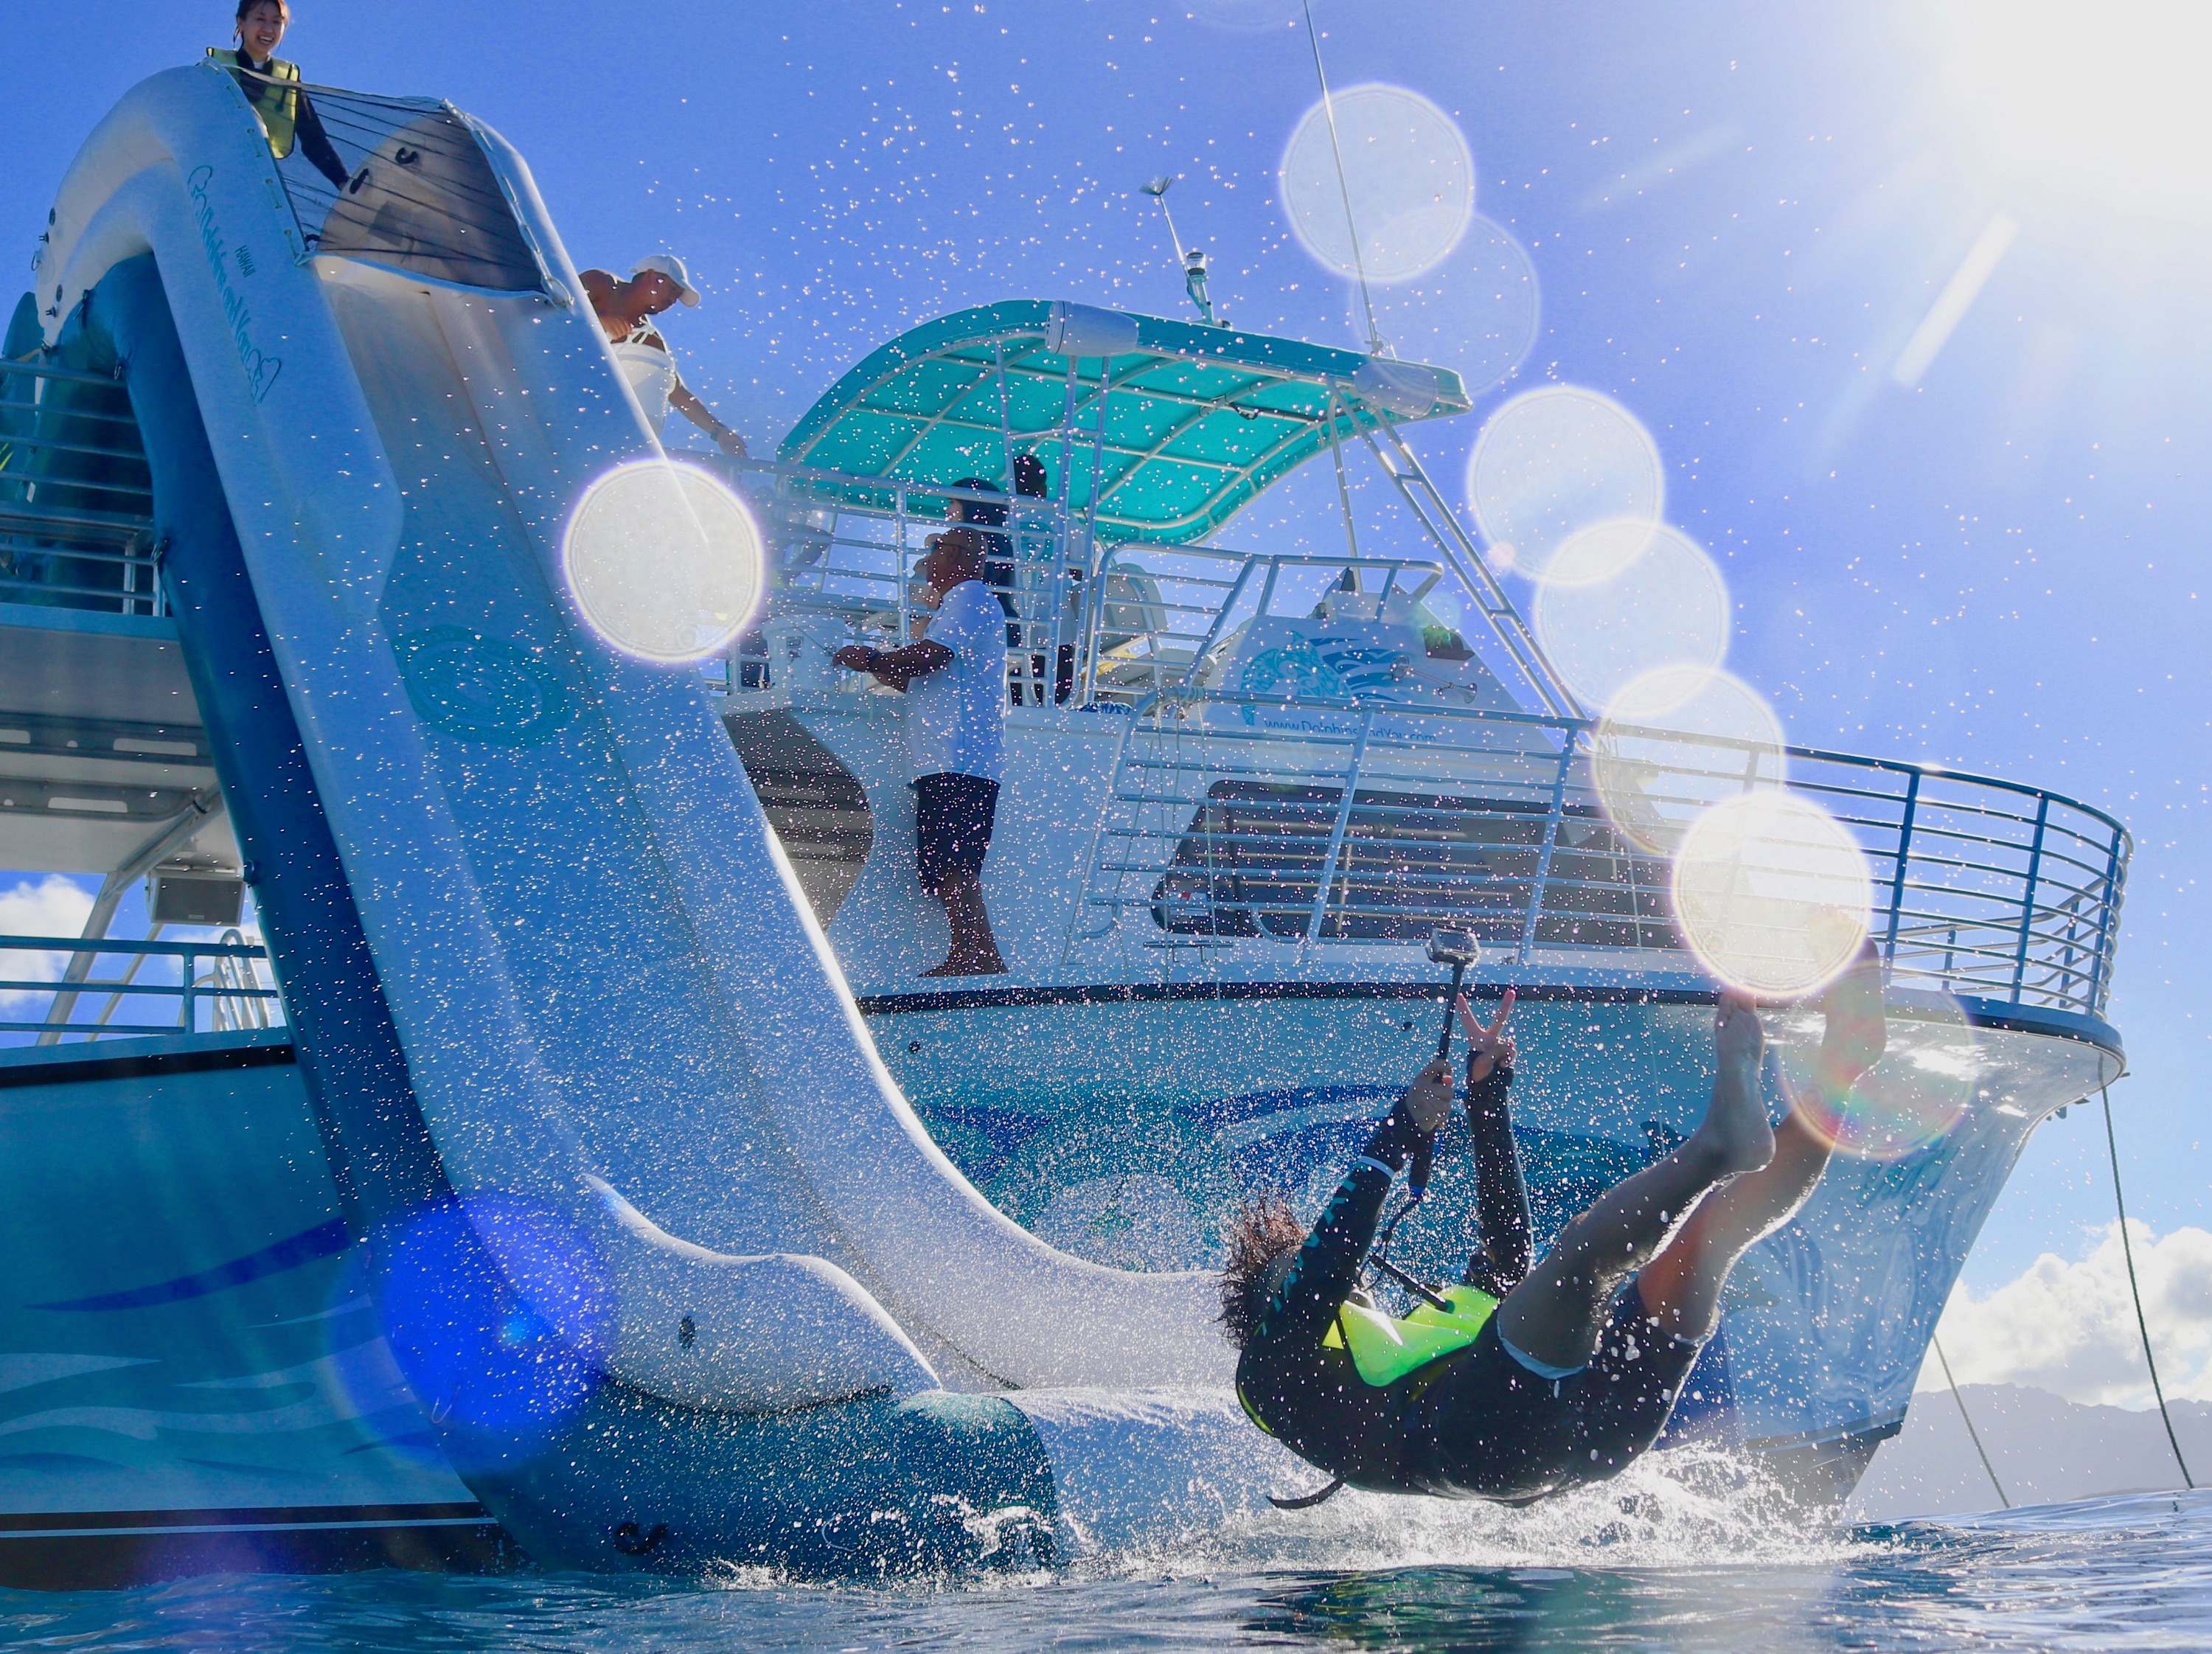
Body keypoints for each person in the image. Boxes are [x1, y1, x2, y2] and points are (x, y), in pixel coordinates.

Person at [1222, 951, 1886, 1504]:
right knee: (1580, 1262)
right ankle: (1716, 1145)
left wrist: (1487, 1099)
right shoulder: (1268, 1370)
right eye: (1292, 1266)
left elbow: (1508, 1248)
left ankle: (1845, 1063)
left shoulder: (1428, 1334)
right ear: (1265, 1299)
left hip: (1591, 1431)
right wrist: (1397, 1132)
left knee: (1711, 1235)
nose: (1349, 1280)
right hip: (1482, 1444)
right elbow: (1325, 1268)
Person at [831, 528, 1009, 976]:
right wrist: (878, 663)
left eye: (934, 552)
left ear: (953, 557)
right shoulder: (962, 605)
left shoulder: (970, 596)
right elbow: (918, 675)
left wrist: (871, 661)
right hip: (952, 758)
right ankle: (971, 952)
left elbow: (931, 659)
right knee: (947, 860)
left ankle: (978, 955)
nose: (929, 563)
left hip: (959, 757)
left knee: (953, 860)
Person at [579, 256, 748, 456]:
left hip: (604, 425)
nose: (673, 301)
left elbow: (674, 389)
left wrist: (719, 432)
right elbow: (553, 303)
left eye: (677, 297)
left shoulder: (649, 339)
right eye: (672, 290)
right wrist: (598, 321)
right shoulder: (601, 283)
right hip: (565, 395)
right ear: (651, 276)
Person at [209, 1, 355, 192]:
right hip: (218, 179)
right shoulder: (215, 68)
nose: (268, 29)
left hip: (264, 185)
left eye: (277, 22)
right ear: (241, 23)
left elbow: (314, 139)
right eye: (260, 19)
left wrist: (343, 181)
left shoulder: (287, 78)